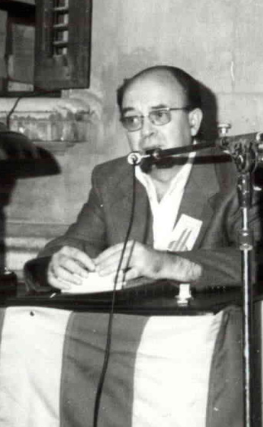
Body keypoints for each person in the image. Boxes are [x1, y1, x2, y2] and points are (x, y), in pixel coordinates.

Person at [26, 65, 249, 293]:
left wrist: (169, 264)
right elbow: (75, 243)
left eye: (159, 116)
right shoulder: (111, 179)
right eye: (133, 120)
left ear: (193, 122)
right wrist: (55, 265)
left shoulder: (235, 177)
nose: (145, 132)